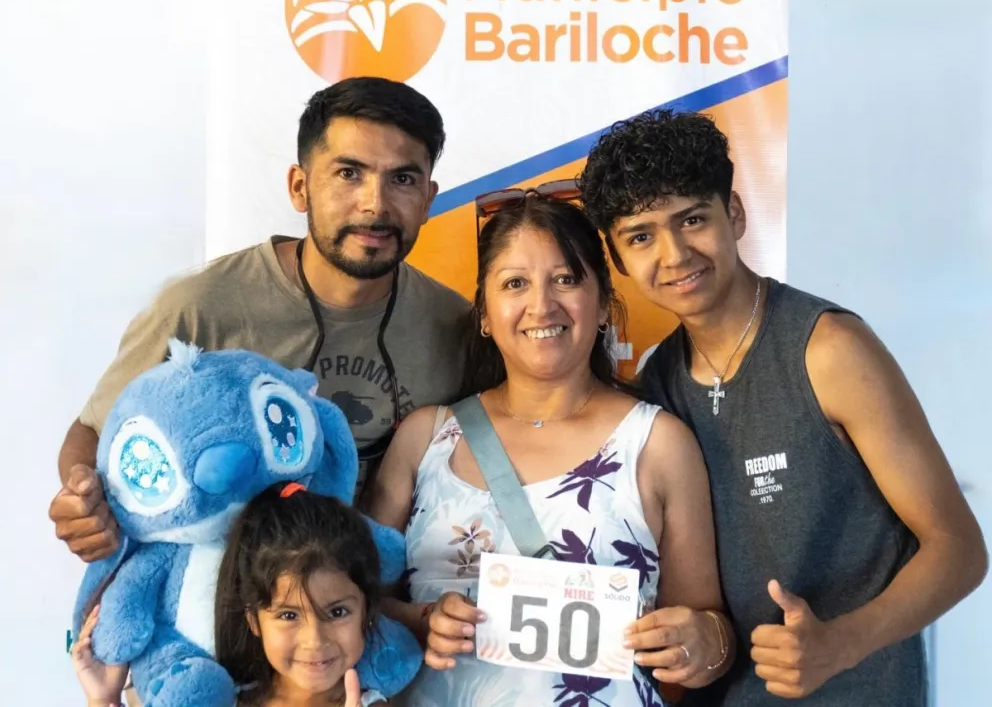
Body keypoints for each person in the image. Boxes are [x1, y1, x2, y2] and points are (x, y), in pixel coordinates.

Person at [578, 108, 989, 705]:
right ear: (617, 259)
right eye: (640, 236)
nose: (673, 254)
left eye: (692, 219)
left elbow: (959, 550)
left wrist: (841, 643)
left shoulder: (829, 350)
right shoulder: (655, 381)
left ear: (735, 215)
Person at [49, 76, 472, 564]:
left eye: (402, 178)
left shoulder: (454, 323)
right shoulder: (201, 305)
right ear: (299, 187)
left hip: (375, 600)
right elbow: (95, 431)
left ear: (429, 198)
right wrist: (84, 500)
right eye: (349, 173)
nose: (375, 204)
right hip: (220, 602)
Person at [369, 190, 735, 706]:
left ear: (604, 304)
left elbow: (711, 627)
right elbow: (353, 601)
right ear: (484, 314)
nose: (541, 305)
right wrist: (418, 620)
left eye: (566, 279)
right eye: (515, 283)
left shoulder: (657, 444)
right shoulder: (426, 439)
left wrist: (701, 645)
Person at [71, 481, 388, 707]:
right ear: (254, 620)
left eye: (337, 612)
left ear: (366, 609)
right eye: (289, 615)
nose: (315, 640)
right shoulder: (226, 697)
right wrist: (102, 698)